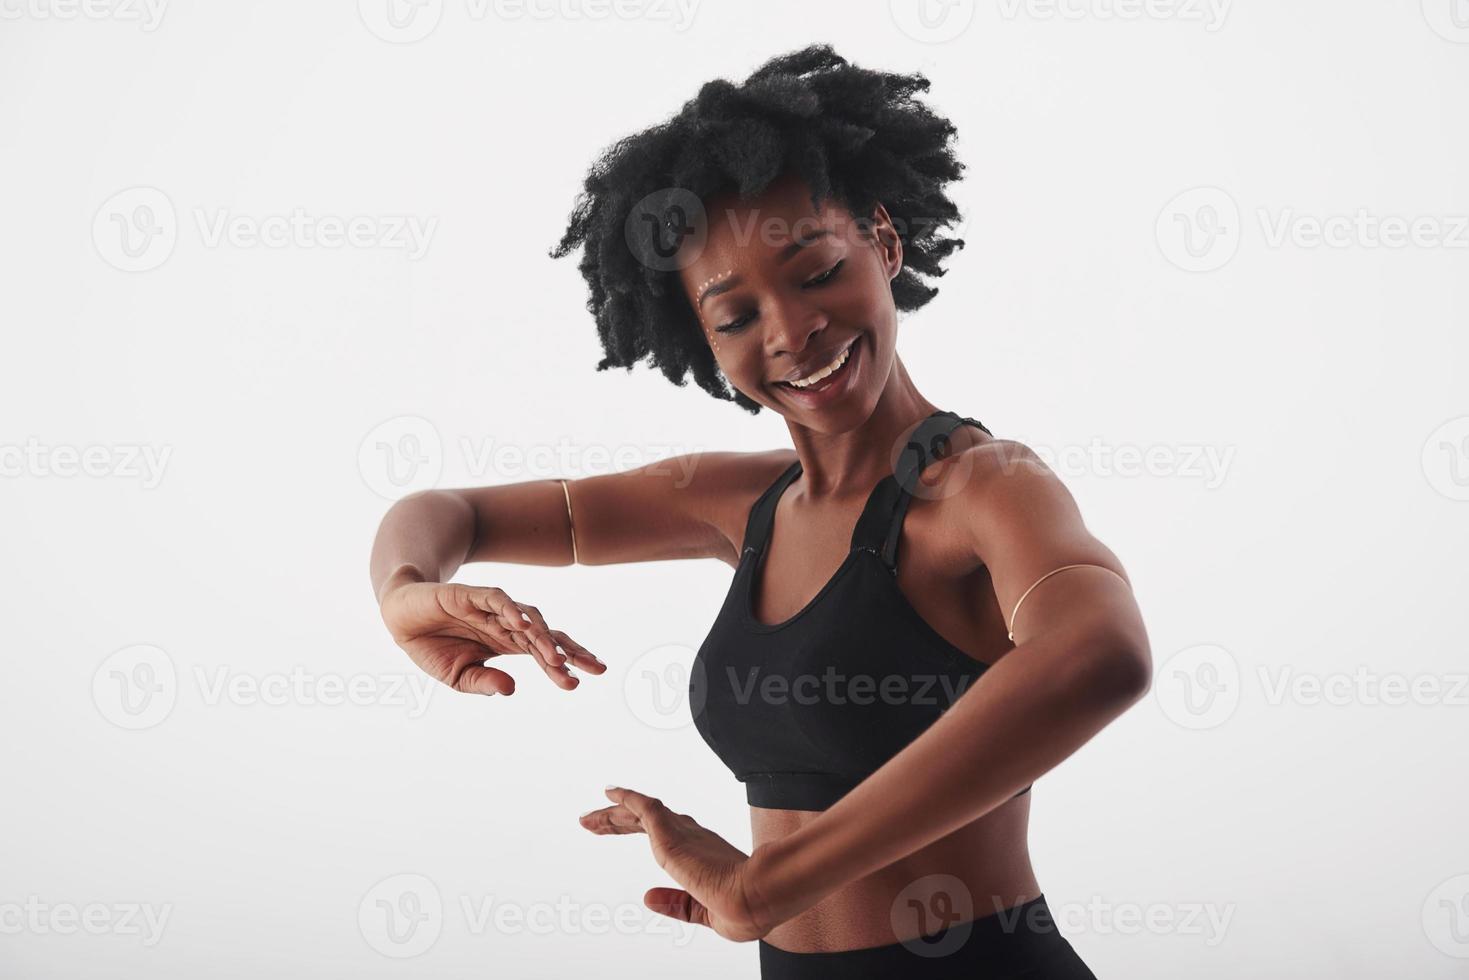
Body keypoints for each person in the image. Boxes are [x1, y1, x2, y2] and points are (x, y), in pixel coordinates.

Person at [369, 44, 1151, 979]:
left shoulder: (984, 486)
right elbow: (445, 509)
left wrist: (765, 888)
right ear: (702, 340)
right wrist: (405, 592)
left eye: (816, 271)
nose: (790, 330)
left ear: (884, 243)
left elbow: (1098, 655)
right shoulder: (734, 502)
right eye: (735, 317)